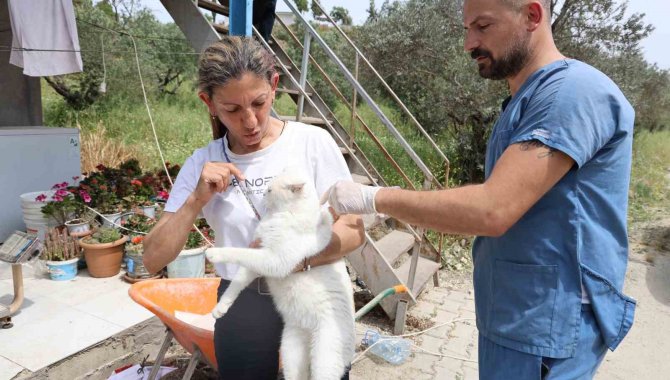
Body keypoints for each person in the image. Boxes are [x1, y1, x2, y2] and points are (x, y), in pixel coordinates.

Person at [321, 0, 636, 378]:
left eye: (483, 26)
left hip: (547, 326)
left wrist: (375, 198)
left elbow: (492, 209)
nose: (469, 43)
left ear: (532, 16)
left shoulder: (570, 94)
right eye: (467, 28)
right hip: (519, 316)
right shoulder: (528, 98)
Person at [143, 36, 364, 380]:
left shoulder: (312, 142)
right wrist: (194, 201)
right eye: (232, 110)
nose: (250, 121)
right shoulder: (202, 163)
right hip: (244, 299)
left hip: (314, 288)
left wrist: (299, 257)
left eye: (259, 103)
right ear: (209, 103)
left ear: (274, 86)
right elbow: (152, 258)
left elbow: (353, 229)